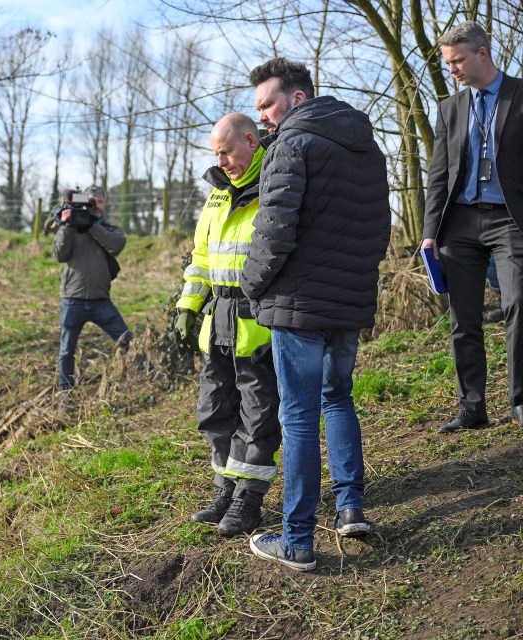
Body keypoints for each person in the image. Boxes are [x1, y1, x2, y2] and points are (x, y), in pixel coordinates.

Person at [241, 58, 391, 571]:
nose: (261, 115)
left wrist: (250, 283)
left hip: (299, 303)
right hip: (347, 300)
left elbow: (274, 230)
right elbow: (379, 233)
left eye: (267, 104)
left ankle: (297, 540)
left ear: (297, 99)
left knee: (299, 414)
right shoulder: (367, 146)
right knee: (338, 398)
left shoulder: (293, 142)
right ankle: (350, 508)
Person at [174, 113, 282, 537]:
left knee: (257, 418)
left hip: (257, 323)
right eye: (215, 154)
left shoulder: (273, 186)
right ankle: (225, 489)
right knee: (214, 411)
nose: (221, 161)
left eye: (227, 151)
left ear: (252, 141)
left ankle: (248, 502)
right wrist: (188, 304)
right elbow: (201, 257)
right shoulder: (217, 194)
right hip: (217, 321)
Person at [421, 21, 523, 432]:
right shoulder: (449, 108)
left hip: (510, 221)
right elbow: (439, 174)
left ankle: (520, 403)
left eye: (457, 61)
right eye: (448, 64)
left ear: (482, 54)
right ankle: (472, 408)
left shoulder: (520, 95)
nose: (453, 70)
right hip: (459, 222)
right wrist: (430, 232)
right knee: (463, 318)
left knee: (518, 305)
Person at [52, 185, 132, 391]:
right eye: (91, 201)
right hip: (72, 300)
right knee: (66, 351)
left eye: (100, 201)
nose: (95, 205)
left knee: (126, 340)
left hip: (100, 301)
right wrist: (67, 225)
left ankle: (146, 375)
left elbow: (116, 245)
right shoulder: (70, 229)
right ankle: (65, 391)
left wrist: (91, 225)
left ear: (104, 205)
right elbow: (59, 255)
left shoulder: (110, 229)